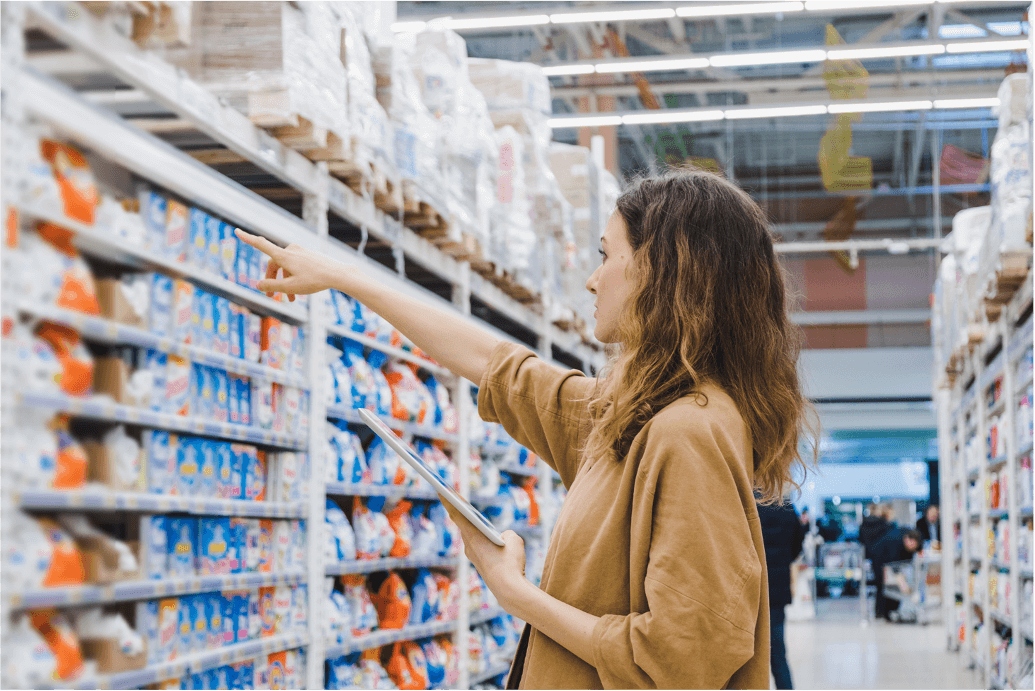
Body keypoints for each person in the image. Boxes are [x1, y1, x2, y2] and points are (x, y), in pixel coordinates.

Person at [235, 168, 816, 689]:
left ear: (663, 272)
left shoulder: (687, 432)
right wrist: (345, 278)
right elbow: (501, 367)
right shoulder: (631, 418)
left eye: (606, 255)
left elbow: (682, 661)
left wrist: (516, 593)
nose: (591, 280)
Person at [758, 500, 806, 690]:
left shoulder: (746, 501)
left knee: (746, 654)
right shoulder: (786, 506)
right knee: (777, 652)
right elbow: (797, 544)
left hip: (750, 589)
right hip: (777, 588)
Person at [870, 527, 922, 620]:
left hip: (891, 560)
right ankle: (881, 613)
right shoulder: (895, 542)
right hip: (879, 559)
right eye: (912, 545)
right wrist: (903, 584)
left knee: (895, 586)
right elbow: (894, 567)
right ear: (907, 540)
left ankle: (892, 611)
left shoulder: (911, 539)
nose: (913, 549)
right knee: (883, 585)